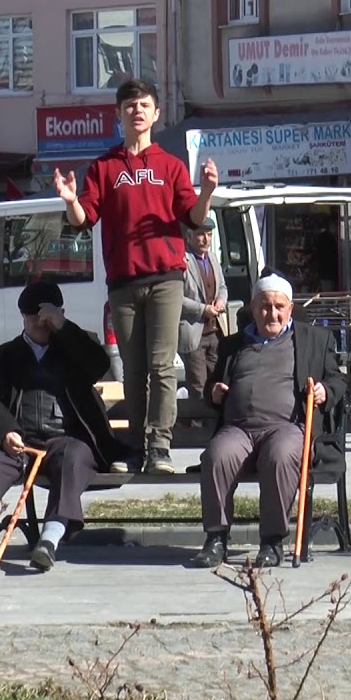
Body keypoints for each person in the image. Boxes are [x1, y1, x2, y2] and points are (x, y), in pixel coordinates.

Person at [54, 78, 218, 475]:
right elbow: (83, 219)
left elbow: (193, 218)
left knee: (162, 365)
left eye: (144, 105)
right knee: (134, 369)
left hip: (166, 279)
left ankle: (159, 447)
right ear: (119, 114)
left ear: (156, 113)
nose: (137, 111)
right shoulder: (104, 166)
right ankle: (134, 447)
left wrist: (207, 192)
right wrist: (72, 200)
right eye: (130, 106)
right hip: (123, 283)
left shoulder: (171, 165)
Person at [0, 282, 132, 571]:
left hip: (65, 439)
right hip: (18, 444)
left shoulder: (75, 347)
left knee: (74, 458)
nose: (41, 325)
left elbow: (98, 364)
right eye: (34, 319)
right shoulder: (2, 357)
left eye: (47, 318)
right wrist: (5, 432)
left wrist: (63, 327)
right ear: (23, 318)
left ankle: (49, 541)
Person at [189, 274, 346, 569]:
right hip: (239, 429)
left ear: (290, 309)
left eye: (279, 307)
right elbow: (213, 387)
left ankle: (272, 542)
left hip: (287, 428)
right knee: (216, 455)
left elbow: (337, 380)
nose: (272, 313)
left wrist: (325, 390)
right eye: (264, 306)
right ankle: (216, 539)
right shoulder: (233, 344)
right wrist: (214, 392)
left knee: (280, 456)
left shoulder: (313, 339)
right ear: (253, 308)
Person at [179, 217, 228, 402]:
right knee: (198, 385)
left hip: (215, 332)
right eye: (201, 234)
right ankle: (198, 419)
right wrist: (202, 309)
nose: (206, 239)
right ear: (189, 236)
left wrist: (221, 301)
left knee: (218, 380)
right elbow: (175, 298)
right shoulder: (182, 261)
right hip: (193, 333)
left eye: (209, 234)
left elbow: (222, 286)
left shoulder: (213, 258)